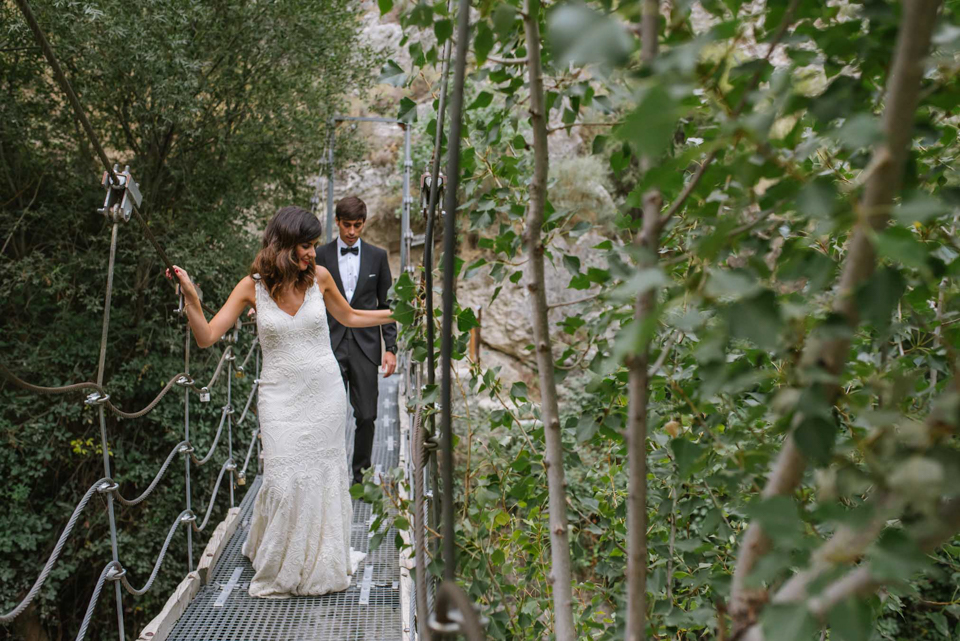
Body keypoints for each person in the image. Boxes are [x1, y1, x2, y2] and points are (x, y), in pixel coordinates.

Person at [164, 205, 394, 598]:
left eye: (314, 245)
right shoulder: (250, 287)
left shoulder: (319, 277)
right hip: (279, 398)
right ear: (285, 244)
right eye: (306, 246)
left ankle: (319, 560)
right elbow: (206, 336)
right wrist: (190, 297)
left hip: (324, 393)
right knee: (285, 481)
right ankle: (283, 559)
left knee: (320, 476)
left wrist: (402, 314)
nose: (312, 253)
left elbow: (353, 317)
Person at [315, 196, 398, 487]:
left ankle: (359, 477)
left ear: (364, 224)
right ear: (337, 222)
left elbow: (386, 304)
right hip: (328, 343)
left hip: (366, 346)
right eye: (347, 225)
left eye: (357, 225)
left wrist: (392, 349)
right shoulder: (319, 255)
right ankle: (330, 476)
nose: (352, 231)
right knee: (328, 414)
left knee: (367, 414)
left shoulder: (378, 256)